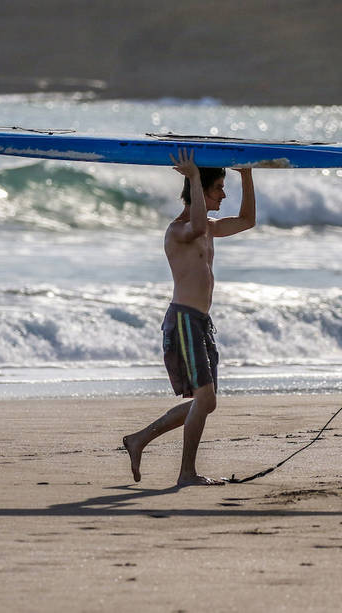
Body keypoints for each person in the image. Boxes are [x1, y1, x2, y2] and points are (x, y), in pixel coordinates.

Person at [124, 149, 256, 487]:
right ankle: (186, 474)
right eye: (218, 189)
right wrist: (195, 177)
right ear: (200, 190)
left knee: (205, 403)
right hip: (183, 320)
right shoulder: (179, 231)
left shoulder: (209, 228)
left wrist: (247, 174)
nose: (223, 195)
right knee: (206, 400)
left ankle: (139, 439)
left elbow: (248, 221)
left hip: (200, 323)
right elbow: (196, 224)